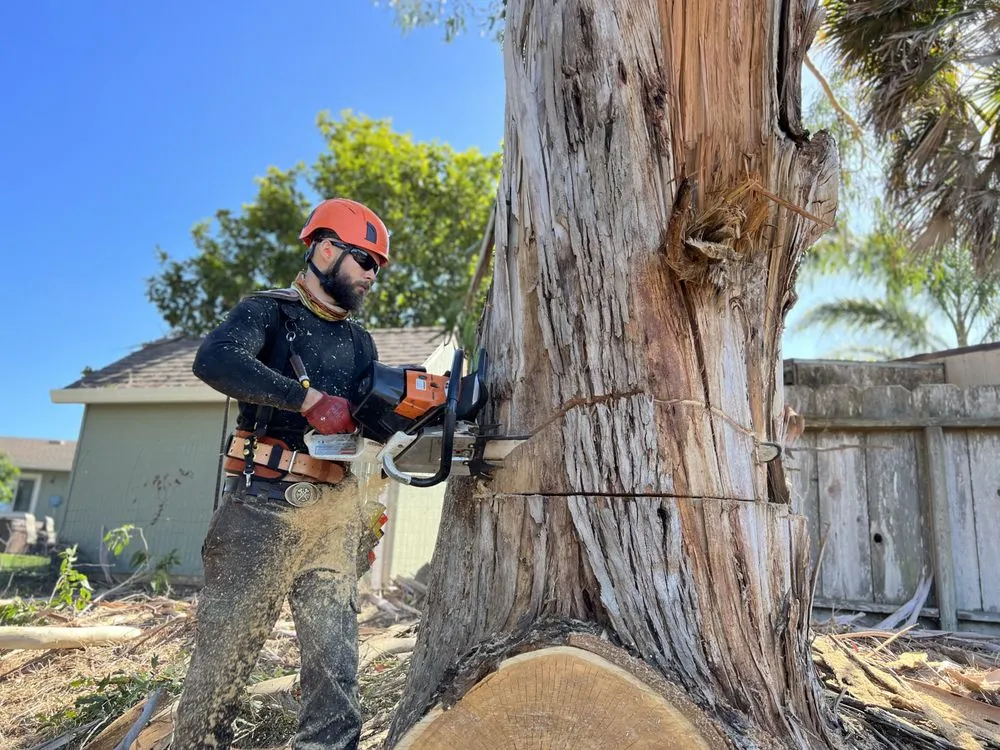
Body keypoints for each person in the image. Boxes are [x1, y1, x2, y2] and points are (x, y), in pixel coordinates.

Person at [173, 198, 390, 750]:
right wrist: (305, 398)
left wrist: (418, 414)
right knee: (223, 660)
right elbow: (215, 360)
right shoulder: (268, 313)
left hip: (333, 511)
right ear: (324, 249)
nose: (371, 274)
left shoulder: (360, 342)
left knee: (335, 672)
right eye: (364, 260)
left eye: (377, 266)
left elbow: (373, 421)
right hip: (263, 504)